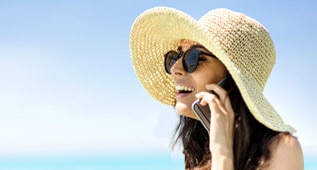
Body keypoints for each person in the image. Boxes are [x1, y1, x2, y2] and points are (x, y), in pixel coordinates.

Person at [130, 7, 304, 170]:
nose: (175, 68)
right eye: (177, 56)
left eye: (193, 58)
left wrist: (222, 153)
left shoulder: (282, 149)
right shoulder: (198, 149)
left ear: (232, 79)